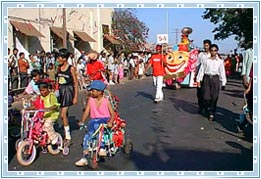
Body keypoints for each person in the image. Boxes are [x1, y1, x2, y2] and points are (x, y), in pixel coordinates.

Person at [75, 80, 115, 166]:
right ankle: (85, 156)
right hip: (93, 120)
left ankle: (102, 147)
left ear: (100, 92)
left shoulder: (106, 101)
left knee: (98, 127)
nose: (91, 92)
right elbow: (86, 112)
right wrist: (82, 121)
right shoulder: (90, 100)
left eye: (93, 90)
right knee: (87, 137)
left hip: (104, 120)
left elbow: (113, 113)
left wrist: (110, 122)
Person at [196, 44, 227, 121]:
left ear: (217, 51)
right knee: (206, 97)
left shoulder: (220, 62)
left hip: (215, 79)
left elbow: (222, 72)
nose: (213, 52)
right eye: (212, 50)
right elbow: (201, 70)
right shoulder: (206, 60)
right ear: (210, 51)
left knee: (214, 97)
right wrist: (198, 80)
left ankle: (212, 112)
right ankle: (207, 109)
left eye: (215, 50)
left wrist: (223, 82)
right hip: (206, 78)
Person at [56, 48, 78, 147]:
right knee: (62, 113)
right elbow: (57, 80)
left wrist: (75, 97)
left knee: (63, 115)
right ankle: (65, 127)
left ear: (64, 58)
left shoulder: (71, 68)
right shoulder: (59, 68)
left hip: (68, 91)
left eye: (60, 57)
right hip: (60, 90)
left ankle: (68, 137)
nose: (58, 59)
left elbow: (75, 83)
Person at [195, 39, 212, 114]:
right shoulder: (201, 55)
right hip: (200, 75)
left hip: (208, 76)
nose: (205, 47)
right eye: (204, 45)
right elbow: (197, 65)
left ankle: (207, 107)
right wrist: (195, 75)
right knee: (199, 92)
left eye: (207, 46)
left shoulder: (212, 55)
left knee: (207, 93)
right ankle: (200, 106)